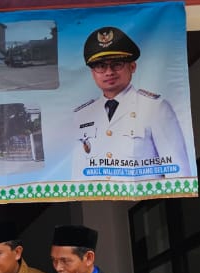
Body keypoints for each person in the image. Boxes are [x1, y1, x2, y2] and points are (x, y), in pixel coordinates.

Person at [73, 26, 190, 179]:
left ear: (132, 66)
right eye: (101, 66)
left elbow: (178, 172)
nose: (109, 72)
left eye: (117, 64)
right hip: (98, 202)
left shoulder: (155, 107)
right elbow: (78, 175)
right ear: (93, 73)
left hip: (148, 201)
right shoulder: (83, 115)